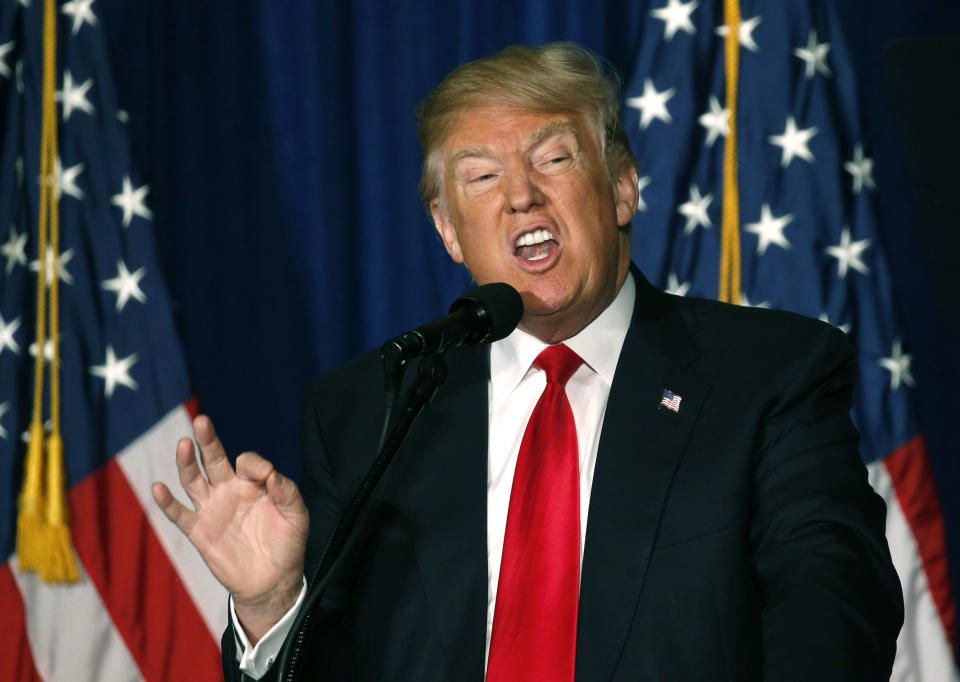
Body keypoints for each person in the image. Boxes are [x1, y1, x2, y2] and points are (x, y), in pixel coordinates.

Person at [152, 43, 903, 681]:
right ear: (449, 230)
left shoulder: (769, 374)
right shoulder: (372, 408)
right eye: (481, 177)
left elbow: (835, 607)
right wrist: (272, 605)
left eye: (553, 158)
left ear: (620, 188)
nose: (520, 195)